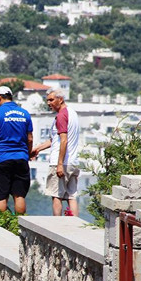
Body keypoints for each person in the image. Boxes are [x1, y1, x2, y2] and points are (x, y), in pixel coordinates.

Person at [0, 86, 33, 214]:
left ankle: (0, 226)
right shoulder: (25, 113)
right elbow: (30, 139)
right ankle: (20, 226)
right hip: (21, 158)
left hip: (2, 159)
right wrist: (27, 154)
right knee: (19, 195)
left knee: (2, 196)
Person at [30, 88, 81, 216]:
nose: (49, 103)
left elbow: (63, 141)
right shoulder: (73, 113)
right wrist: (37, 149)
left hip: (61, 163)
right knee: (71, 196)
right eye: (47, 100)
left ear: (61, 99)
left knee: (56, 195)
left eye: (51, 100)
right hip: (73, 162)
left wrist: (59, 164)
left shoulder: (61, 116)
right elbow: (55, 140)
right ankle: (75, 225)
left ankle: (57, 225)